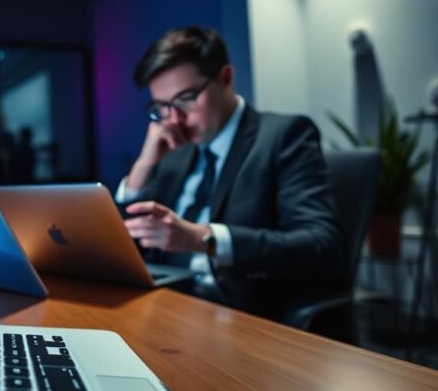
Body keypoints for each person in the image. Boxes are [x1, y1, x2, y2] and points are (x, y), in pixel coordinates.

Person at [117, 26, 344, 321]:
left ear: (225, 79)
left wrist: (203, 239)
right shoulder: (174, 151)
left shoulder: (283, 137)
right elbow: (125, 247)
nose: (174, 119)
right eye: (162, 107)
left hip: (237, 316)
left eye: (186, 98)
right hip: (163, 307)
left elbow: (321, 245)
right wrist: (142, 167)